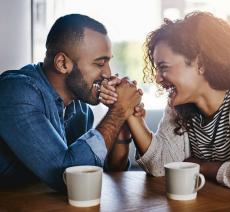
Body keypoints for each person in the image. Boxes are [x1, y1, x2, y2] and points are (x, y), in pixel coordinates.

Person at [127, 12, 230, 193]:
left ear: (200, 63)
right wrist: (132, 116)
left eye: (164, 67)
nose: (157, 79)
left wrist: (200, 166)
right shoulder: (179, 106)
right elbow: (161, 167)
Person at [0, 14, 142, 191]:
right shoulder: (17, 92)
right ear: (62, 64)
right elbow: (67, 177)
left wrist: (122, 122)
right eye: (99, 64)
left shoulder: (80, 109)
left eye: (108, 62)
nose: (108, 73)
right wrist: (118, 112)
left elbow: (99, 172)